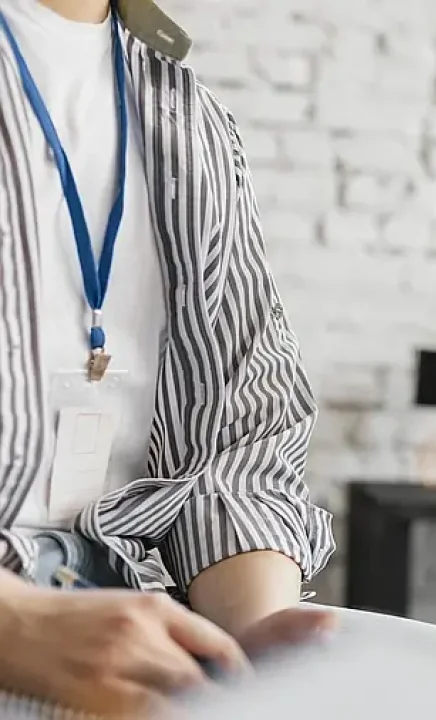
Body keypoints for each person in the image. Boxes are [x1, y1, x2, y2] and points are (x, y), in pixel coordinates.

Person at [0, 0, 336, 715]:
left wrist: (261, 637)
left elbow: (238, 445)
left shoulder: (188, 116)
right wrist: (18, 627)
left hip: (129, 624)